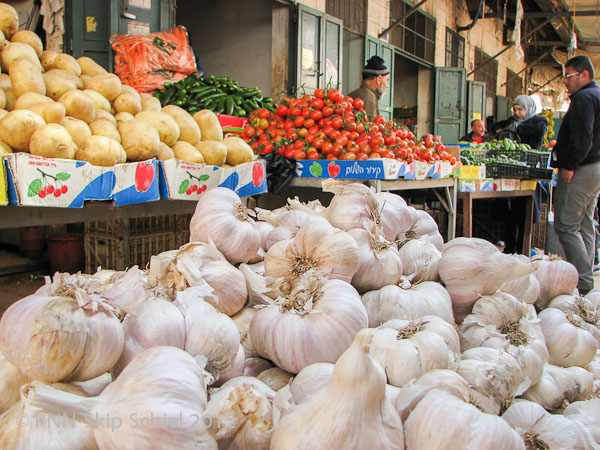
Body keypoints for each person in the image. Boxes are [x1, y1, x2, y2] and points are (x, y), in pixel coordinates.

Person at [551, 55, 600, 294]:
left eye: (568, 76)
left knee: (567, 225)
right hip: (595, 169)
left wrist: (569, 165)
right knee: (585, 224)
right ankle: (587, 281)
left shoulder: (584, 98)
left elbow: (583, 139)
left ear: (584, 75)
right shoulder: (596, 95)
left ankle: (583, 282)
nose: (565, 82)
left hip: (582, 168)